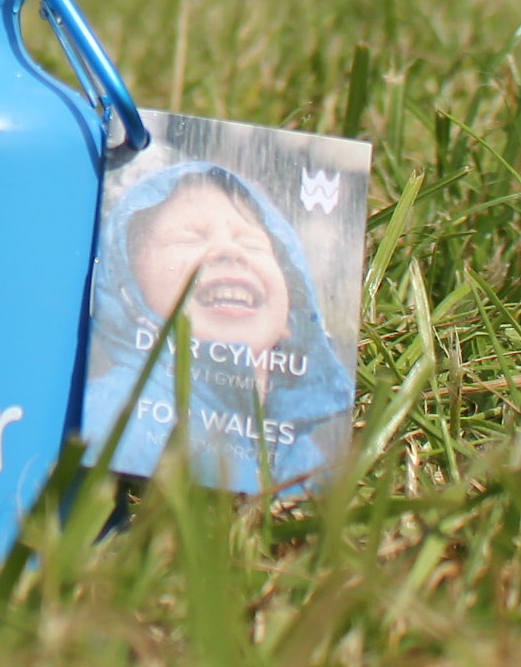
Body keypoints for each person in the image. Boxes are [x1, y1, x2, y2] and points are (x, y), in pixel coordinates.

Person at [85, 161, 352, 491]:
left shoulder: (304, 457)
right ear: (129, 293)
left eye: (252, 243)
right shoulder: (112, 418)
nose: (228, 250)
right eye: (189, 238)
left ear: (291, 320)